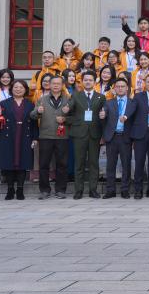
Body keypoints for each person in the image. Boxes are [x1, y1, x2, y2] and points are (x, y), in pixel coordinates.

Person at [0, 79, 37, 201]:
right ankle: (10, 189)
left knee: (23, 163)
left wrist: (35, 138)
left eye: (21, 87)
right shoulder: (4, 103)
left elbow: (34, 123)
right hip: (9, 136)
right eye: (16, 87)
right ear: (11, 89)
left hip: (25, 135)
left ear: (25, 90)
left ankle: (20, 190)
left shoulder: (30, 104)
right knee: (9, 163)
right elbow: (0, 122)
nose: (18, 89)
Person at [31, 75, 72, 200]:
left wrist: (65, 119)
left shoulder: (69, 99)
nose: (55, 85)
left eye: (58, 83)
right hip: (45, 136)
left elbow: (76, 117)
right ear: (49, 85)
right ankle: (44, 190)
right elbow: (32, 115)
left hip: (62, 136)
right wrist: (38, 111)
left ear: (62, 85)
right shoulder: (42, 99)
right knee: (44, 164)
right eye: (53, 83)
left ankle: (60, 190)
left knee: (62, 164)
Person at [68, 70, 106, 199]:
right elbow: (69, 113)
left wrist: (103, 133)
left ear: (95, 82)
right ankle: (78, 190)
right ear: (82, 82)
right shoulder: (75, 96)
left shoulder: (101, 97)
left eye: (90, 80)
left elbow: (103, 116)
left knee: (93, 163)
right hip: (79, 133)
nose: (88, 82)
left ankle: (93, 190)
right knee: (79, 163)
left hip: (95, 134)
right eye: (85, 80)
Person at [102, 77, 137, 199]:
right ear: (114, 89)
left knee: (126, 164)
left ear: (127, 88)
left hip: (126, 137)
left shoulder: (133, 103)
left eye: (123, 86)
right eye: (118, 86)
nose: (120, 88)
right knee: (110, 165)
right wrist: (102, 115)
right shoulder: (108, 102)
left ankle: (125, 190)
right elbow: (104, 114)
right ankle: (110, 190)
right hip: (112, 137)